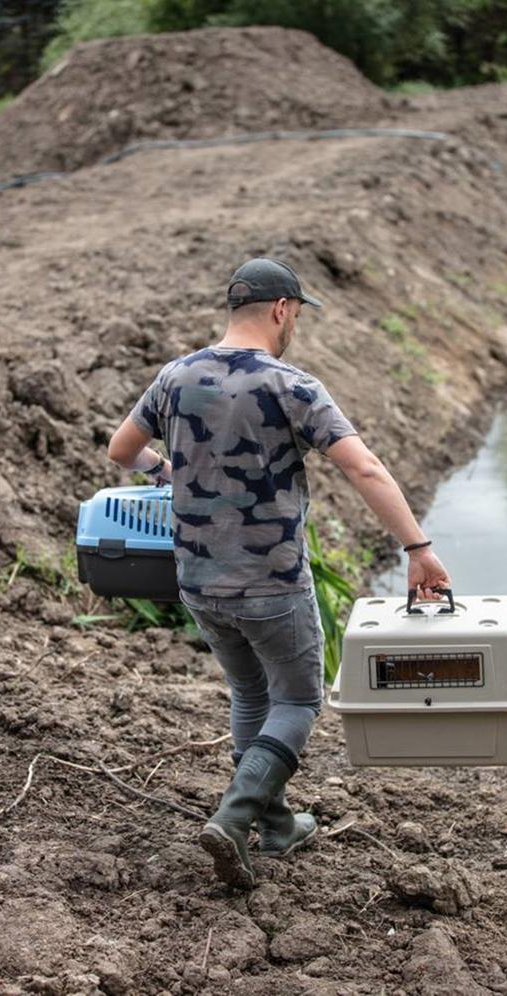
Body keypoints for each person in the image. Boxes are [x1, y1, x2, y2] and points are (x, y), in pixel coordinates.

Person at [107, 257, 452, 890]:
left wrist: (169, 473)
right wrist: (417, 548)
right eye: (295, 314)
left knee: (250, 695)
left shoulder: (175, 376)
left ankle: (275, 825)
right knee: (297, 698)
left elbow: (121, 450)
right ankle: (234, 819)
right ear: (282, 310)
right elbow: (365, 469)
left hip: (199, 582)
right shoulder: (291, 385)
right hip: (271, 581)